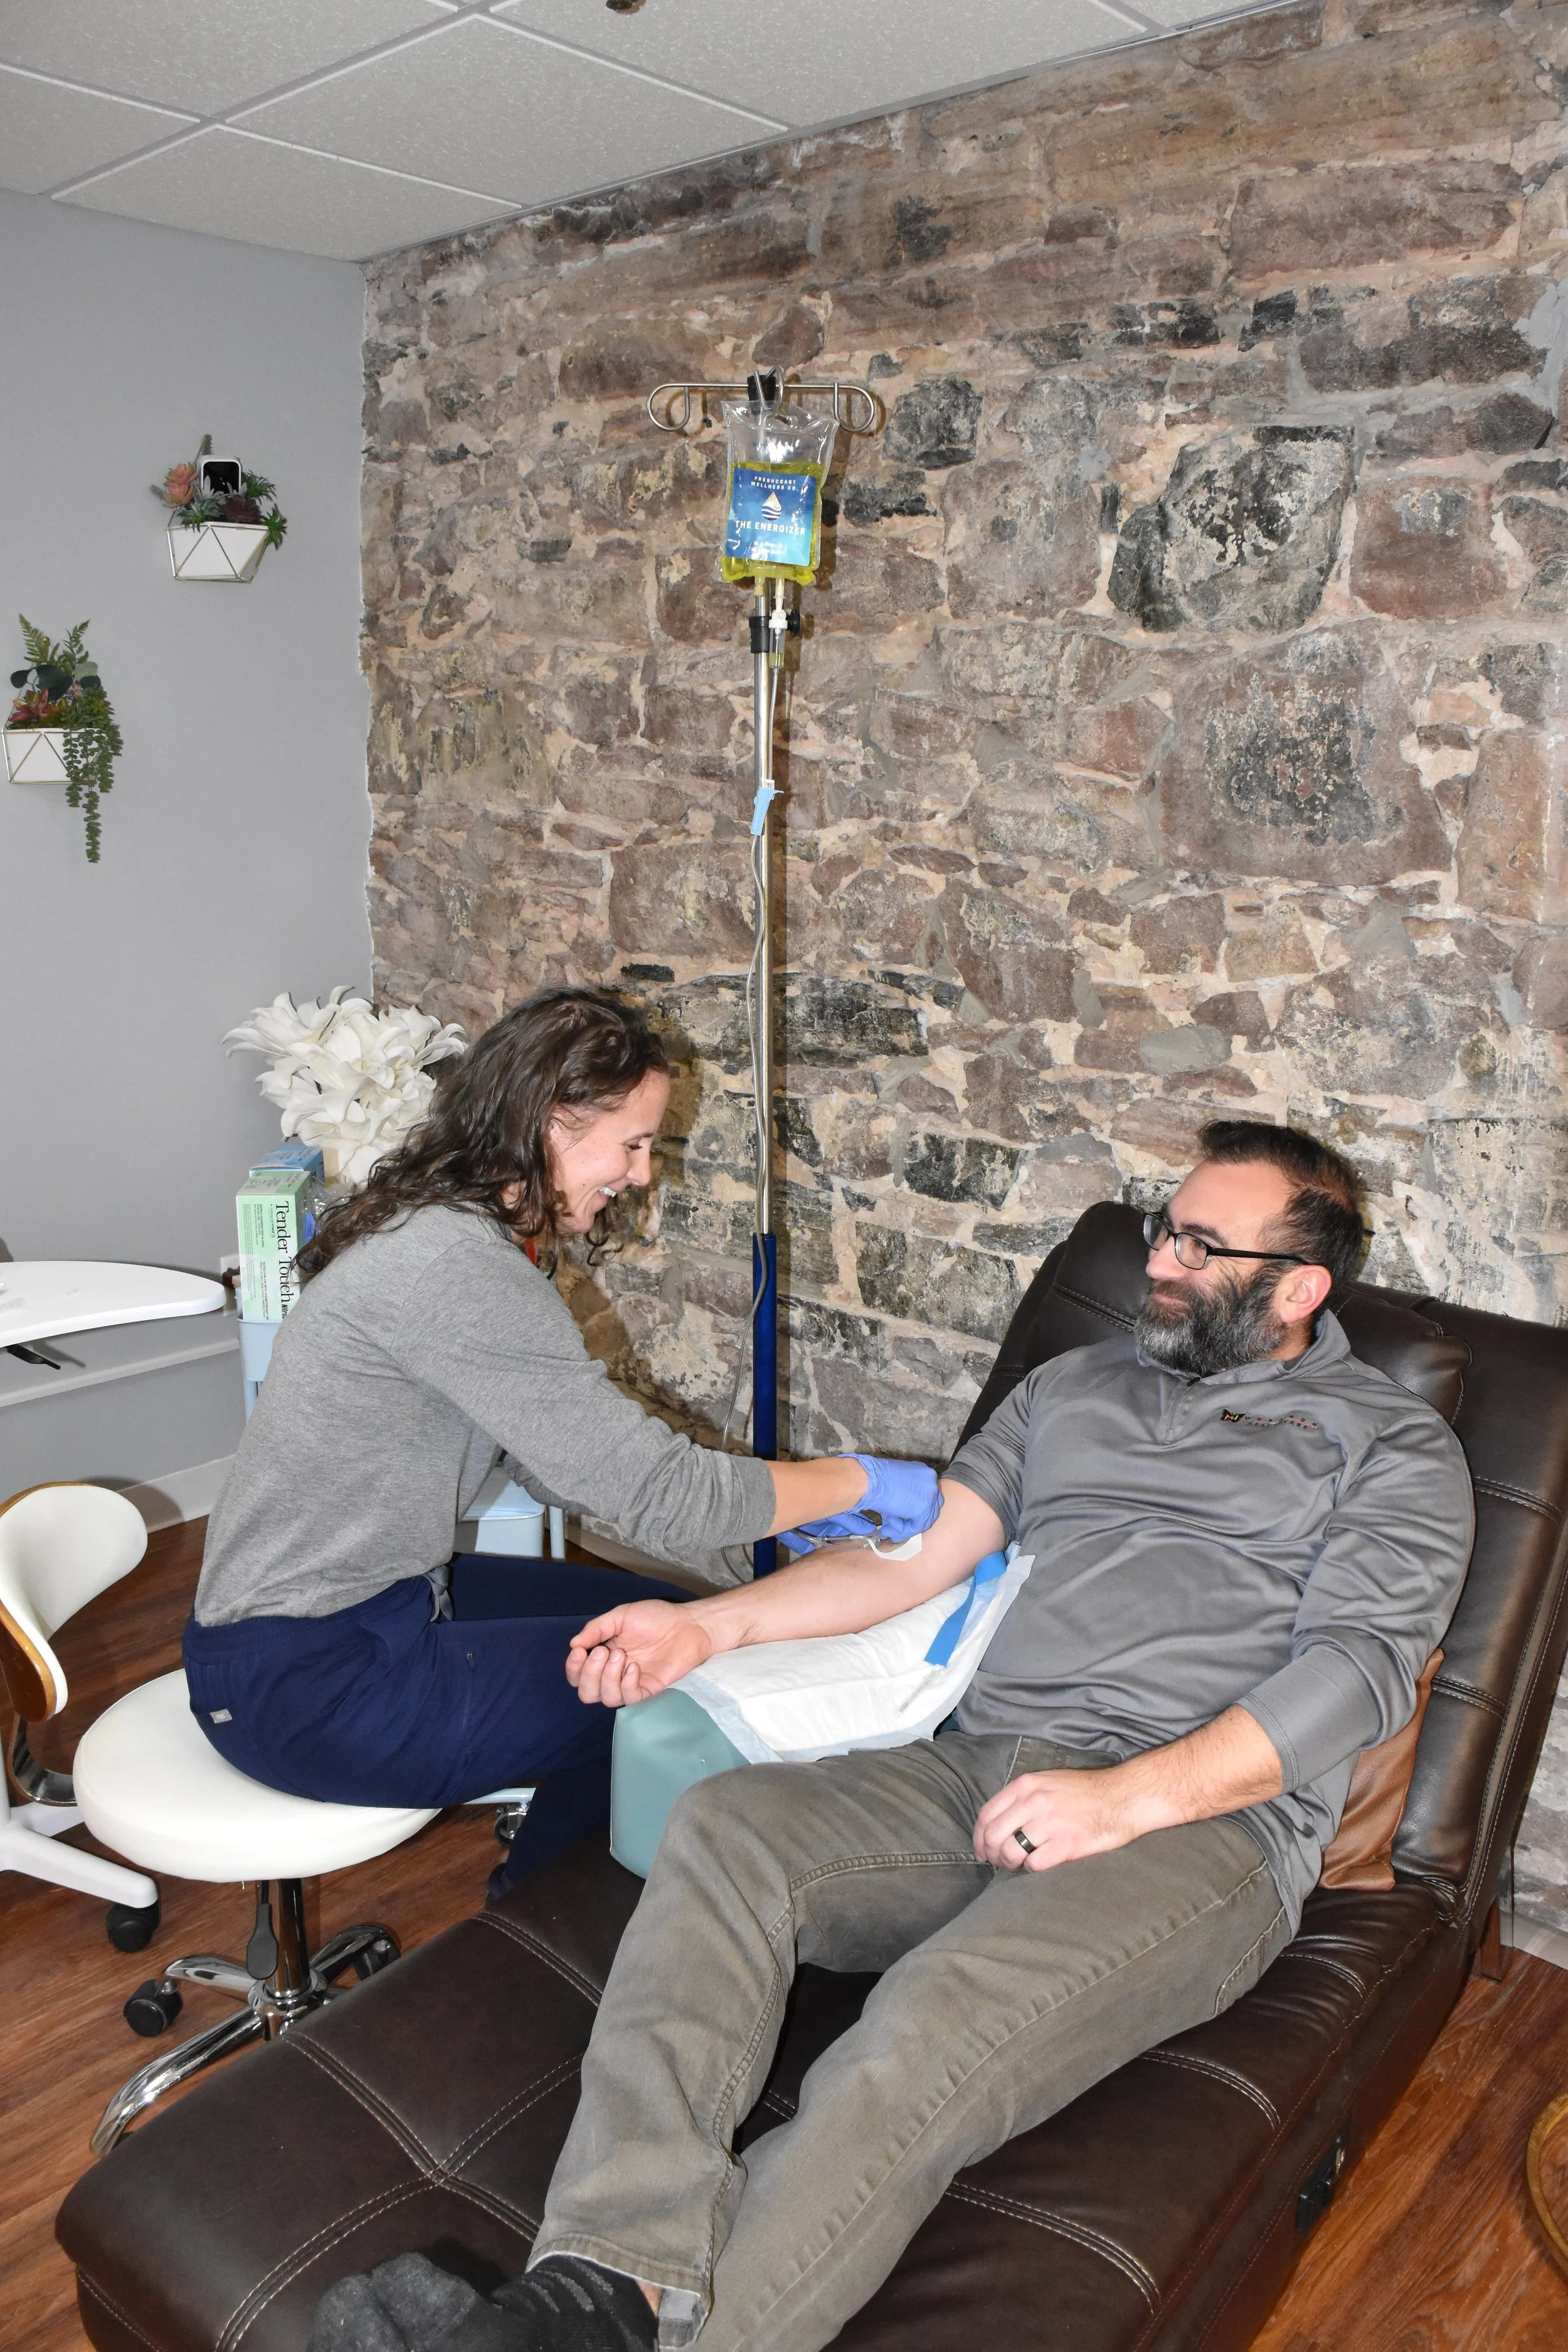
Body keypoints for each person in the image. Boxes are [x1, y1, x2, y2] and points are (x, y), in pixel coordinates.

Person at [310, 1119, 1475, 2352]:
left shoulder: (1388, 1443)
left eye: (1199, 1243)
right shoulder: (1071, 1390)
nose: (1160, 1261)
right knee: (729, 1829)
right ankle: (602, 2289)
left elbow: (1355, 1675)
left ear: (1298, 1287)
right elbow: (909, 1563)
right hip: (984, 1764)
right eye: (1159, 1228)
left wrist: (1125, 1798)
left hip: (1201, 1828)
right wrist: (707, 1629)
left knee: (924, 2027)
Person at [185, 987, 938, 1888]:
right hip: (309, 1681)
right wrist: (856, 1481)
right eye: (631, 1144)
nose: (643, 1172)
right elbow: (654, 1489)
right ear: (548, 1124)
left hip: (342, 1618)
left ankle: (550, 1871)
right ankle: (536, 1951)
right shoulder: (457, 1268)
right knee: (657, 1683)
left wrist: (764, 1540)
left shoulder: (444, 1229)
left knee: (659, 1611)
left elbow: (562, 1469)